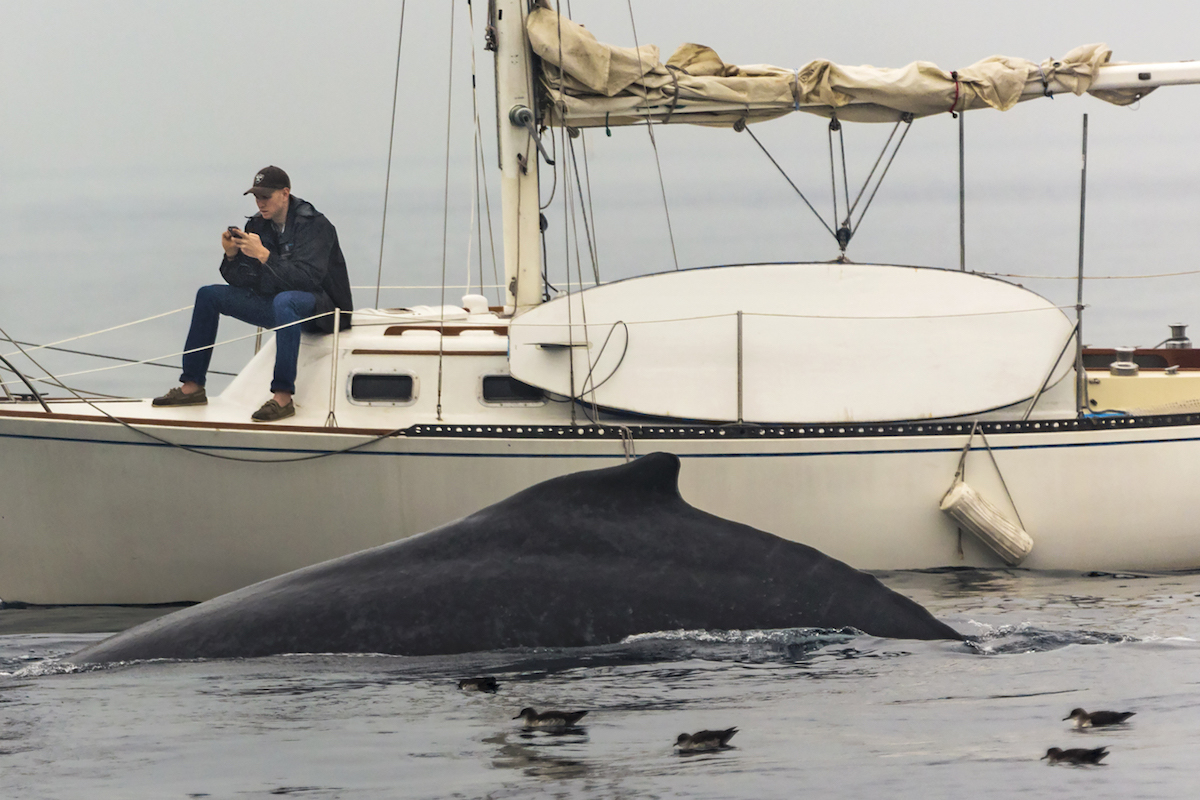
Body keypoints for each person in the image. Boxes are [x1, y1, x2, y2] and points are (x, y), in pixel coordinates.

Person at [153, 166, 353, 422]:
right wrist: (232, 256)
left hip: (324, 309)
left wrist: (265, 256)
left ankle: (282, 397)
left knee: (286, 301)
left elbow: (308, 280)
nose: (260, 203)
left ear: (285, 193)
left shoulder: (315, 225)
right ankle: (192, 387)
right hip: (280, 305)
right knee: (208, 295)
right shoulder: (258, 224)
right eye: (257, 197)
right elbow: (246, 281)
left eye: (266, 196)